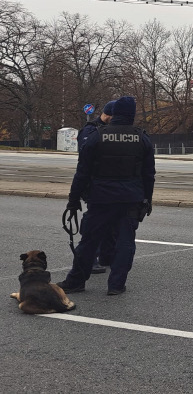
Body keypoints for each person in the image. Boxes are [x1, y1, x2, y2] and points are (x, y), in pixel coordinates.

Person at [58, 96, 155, 296]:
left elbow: (82, 173)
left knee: (89, 241)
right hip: (130, 199)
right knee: (125, 243)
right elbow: (148, 175)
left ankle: (76, 281)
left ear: (114, 113)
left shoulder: (97, 136)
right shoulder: (142, 138)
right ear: (132, 115)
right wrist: (147, 200)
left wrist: (73, 200)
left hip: (100, 198)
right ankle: (116, 285)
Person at [78, 99, 118, 275]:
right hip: (94, 184)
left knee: (111, 222)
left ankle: (106, 255)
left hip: (109, 184)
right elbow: (86, 160)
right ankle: (90, 259)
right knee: (95, 223)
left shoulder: (111, 130)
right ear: (108, 115)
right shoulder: (90, 130)